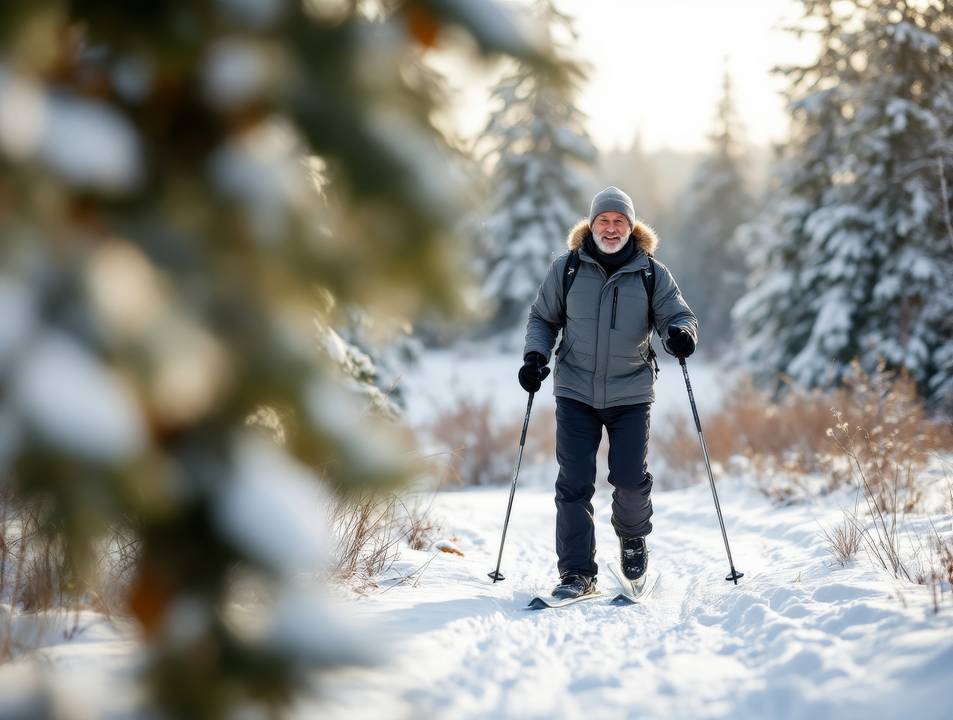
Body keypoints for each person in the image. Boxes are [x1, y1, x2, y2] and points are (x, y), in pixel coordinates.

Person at [519, 186, 698, 599]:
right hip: (575, 390)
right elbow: (542, 318)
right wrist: (534, 357)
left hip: (631, 392)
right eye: (604, 220)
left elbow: (678, 313)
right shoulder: (566, 269)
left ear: (631, 227)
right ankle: (577, 574)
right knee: (574, 484)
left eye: (620, 221)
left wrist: (681, 334)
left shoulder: (651, 272)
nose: (611, 228)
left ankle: (633, 540)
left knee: (631, 481)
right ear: (592, 224)